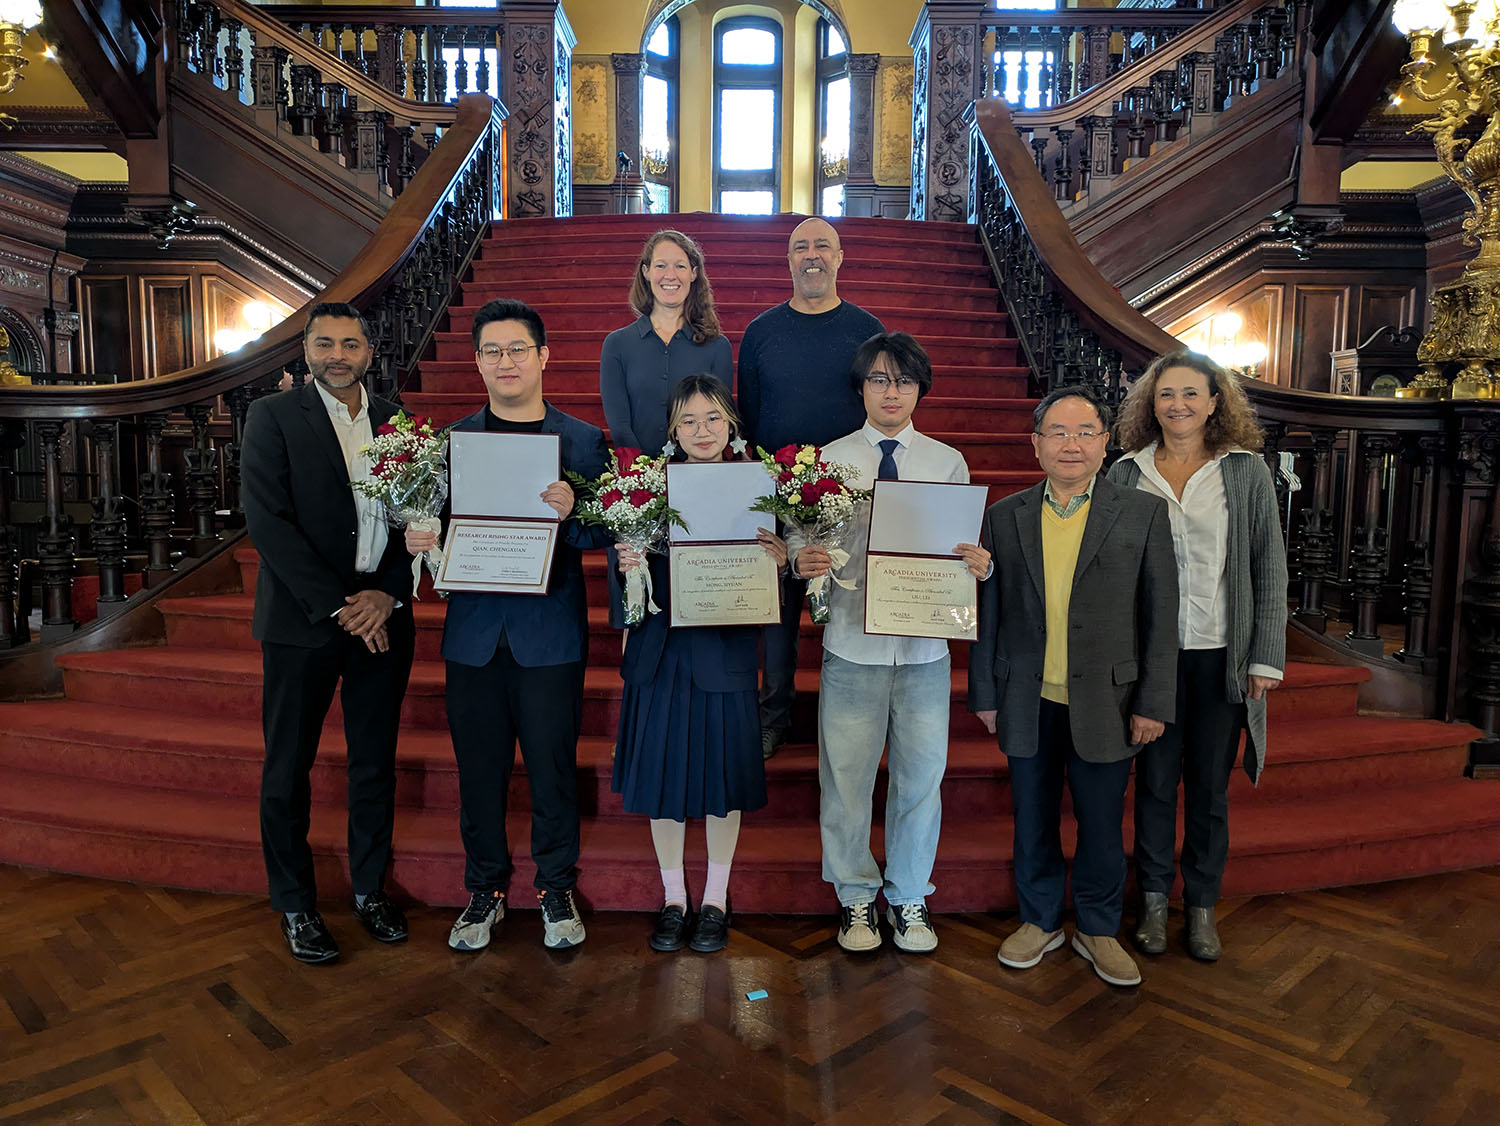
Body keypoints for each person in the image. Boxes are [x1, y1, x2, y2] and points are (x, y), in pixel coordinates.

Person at [405, 298, 609, 952]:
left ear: (543, 356)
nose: (506, 362)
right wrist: (418, 538)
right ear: (478, 362)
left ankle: (555, 886)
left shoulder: (581, 441)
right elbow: (433, 528)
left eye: (517, 349)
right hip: (473, 636)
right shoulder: (451, 443)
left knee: (552, 768)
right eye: (492, 351)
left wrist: (575, 510)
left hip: (549, 635)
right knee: (479, 770)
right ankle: (485, 889)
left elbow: (605, 531)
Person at [970, 384, 1178, 988]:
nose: (1072, 444)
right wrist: (985, 693)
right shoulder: (1004, 517)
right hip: (1028, 698)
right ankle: (1039, 920)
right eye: (1057, 433)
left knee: (1101, 822)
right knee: (1031, 818)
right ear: (1035, 445)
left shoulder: (1141, 514)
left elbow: (1160, 617)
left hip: (1110, 703)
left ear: (1106, 444)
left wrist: (1153, 701)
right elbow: (989, 611)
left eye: (1085, 432)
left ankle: (1098, 927)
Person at [791, 333, 990, 954]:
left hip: (925, 650)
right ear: (861, 388)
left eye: (903, 380)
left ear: (919, 389)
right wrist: (803, 558)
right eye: (879, 380)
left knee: (920, 779)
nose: (892, 391)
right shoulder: (827, 460)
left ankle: (908, 898)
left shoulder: (945, 461)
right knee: (846, 779)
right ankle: (854, 897)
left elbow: (958, 547)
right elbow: (799, 537)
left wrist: (978, 563)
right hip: (852, 643)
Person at [242, 301, 416, 965]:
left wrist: (386, 594)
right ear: (306, 350)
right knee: (288, 767)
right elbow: (270, 524)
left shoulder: (400, 422)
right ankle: (295, 904)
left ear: (369, 352)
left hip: (382, 619)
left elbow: (422, 518)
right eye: (324, 343)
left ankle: (370, 890)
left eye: (349, 343)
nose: (336, 355)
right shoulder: (274, 417)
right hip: (303, 622)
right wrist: (340, 605)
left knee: (374, 763)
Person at [1107, 350, 1287, 961]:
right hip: (1151, 659)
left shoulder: (1245, 472)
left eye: (1191, 393)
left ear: (1215, 402)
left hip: (1220, 656)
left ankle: (1202, 906)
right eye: (1165, 395)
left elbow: (1268, 564)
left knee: (1208, 789)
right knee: (1155, 784)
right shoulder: (1126, 474)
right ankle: (1155, 902)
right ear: (1149, 405)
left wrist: (1265, 655)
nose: (1177, 405)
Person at [612, 374, 786, 954]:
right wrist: (630, 565)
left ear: (731, 424)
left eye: (712, 418)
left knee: (722, 784)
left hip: (723, 651)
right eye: (687, 420)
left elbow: (766, 585)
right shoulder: (642, 489)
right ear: (671, 430)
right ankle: (672, 898)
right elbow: (627, 592)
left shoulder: (760, 490)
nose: (701, 431)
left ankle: (714, 897)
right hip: (660, 652)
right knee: (662, 782)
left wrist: (778, 561)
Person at [738, 217, 885, 759]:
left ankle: (848, 719)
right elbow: (749, 415)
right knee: (776, 615)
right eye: (801, 247)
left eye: (823, 245)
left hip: (850, 494)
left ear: (840, 257)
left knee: (848, 608)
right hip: (778, 493)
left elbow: (882, 406)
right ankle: (775, 713)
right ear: (789, 261)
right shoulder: (761, 332)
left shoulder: (867, 330)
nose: (812, 255)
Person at [599, 229, 732, 456]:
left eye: (680, 266)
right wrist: (644, 475)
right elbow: (620, 425)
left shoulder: (717, 346)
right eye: (661, 266)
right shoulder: (616, 345)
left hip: (696, 470)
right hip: (639, 477)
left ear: (693, 273)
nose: (670, 275)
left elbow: (718, 421)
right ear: (646, 272)